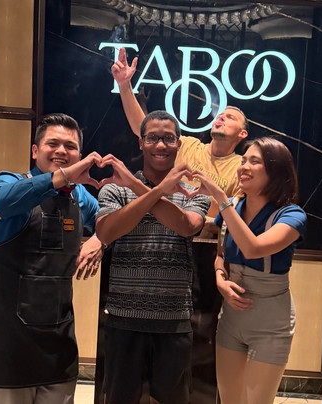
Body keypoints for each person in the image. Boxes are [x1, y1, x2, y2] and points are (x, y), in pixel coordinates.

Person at [0, 113, 106, 404]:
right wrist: (63, 177)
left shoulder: (79, 196)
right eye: (53, 144)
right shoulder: (9, 182)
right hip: (9, 341)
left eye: (70, 146)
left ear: (80, 155)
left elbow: (110, 223)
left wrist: (101, 239)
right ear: (35, 151)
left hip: (59, 343)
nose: (61, 151)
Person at [95, 110, 211, 404]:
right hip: (123, 319)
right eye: (152, 138)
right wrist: (157, 191)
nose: (161, 145)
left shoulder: (195, 192)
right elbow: (106, 232)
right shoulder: (115, 189)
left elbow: (186, 226)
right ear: (141, 142)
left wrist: (140, 188)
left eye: (168, 138)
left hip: (173, 321)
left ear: (179, 144)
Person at [191, 137, 307, 404]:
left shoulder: (292, 215)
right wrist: (220, 278)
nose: (243, 166)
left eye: (254, 161)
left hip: (271, 325)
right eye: (243, 160)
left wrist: (221, 199)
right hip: (231, 320)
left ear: (276, 171)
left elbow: (253, 248)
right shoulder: (233, 207)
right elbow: (221, 254)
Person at [111, 47, 248, 224]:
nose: (222, 117)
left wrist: (203, 222)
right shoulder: (189, 145)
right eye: (220, 115)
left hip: (202, 235)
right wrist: (124, 86)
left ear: (242, 133)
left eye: (230, 118)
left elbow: (236, 218)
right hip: (164, 225)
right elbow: (142, 129)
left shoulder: (241, 167)